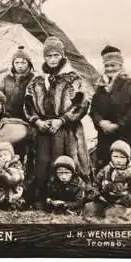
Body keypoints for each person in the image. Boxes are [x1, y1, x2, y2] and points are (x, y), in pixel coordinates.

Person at [24, 36, 92, 207]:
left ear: (62, 56)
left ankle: (70, 199)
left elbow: (82, 104)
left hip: (67, 129)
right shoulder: (37, 81)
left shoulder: (72, 79)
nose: (52, 60)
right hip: (42, 129)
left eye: (56, 55)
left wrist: (62, 120)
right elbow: (27, 105)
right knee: (41, 162)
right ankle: (42, 197)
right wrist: (37, 121)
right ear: (44, 57)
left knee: (65, 161)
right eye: (49, 56)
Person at [90, 45, 131, 183]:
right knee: (106, 168)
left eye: (113, 65)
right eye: (107, 65)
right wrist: (100, 122)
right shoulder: (101, 88)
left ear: (120, 65)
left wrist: (117, 126)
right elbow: (94, 110)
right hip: (106, 137)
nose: (109, 69)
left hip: (128, 136)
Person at [84, 140, 131, 223]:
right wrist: (97, 194)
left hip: (121, 202)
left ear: (128, 159)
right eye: (115, 156)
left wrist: (125, 200)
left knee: (111, 214)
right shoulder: (106, 169)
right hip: (105, 200)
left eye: (122, 157)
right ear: (111, 157)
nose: (118, 160)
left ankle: (126, 215)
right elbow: (96, 183)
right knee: (89, 208)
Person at [0, 46, 35, 120]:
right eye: (17, 62)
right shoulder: (7, 79)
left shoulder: (34, 79)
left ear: (29, 64)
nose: (20, 66)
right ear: (13, 64)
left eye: (23, 62)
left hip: (28, 119)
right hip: (7, 118)